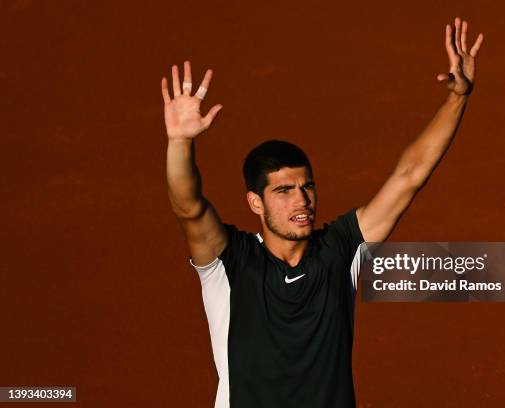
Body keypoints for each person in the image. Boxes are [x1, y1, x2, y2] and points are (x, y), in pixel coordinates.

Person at [162, 16, 483, 408]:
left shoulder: (339, 248)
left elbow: (409, 176)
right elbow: (188, 206)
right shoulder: (229, 262)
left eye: (307, 186)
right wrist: (180, 142)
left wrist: (457, 98)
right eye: (283, 191)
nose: (302, 200)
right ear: (255, 203)